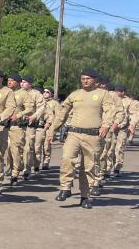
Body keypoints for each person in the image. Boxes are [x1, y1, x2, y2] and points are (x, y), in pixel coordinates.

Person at [49, 68, 114, 209]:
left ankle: (85, 196)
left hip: (93, 136)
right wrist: (52, 130)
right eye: (83, 78)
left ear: (95, 80)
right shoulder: (75, 94)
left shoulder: (103, 94)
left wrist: (106, 125)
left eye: (88, 78)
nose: (85, 81)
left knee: (89, 167)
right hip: (74, 134)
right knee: (67, 158)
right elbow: (62, 113)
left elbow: (110, 111)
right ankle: (65, 188)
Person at [5, 73, 33, 185]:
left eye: (12, 80)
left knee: (16, 150)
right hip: (4, 125)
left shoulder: (23, 94)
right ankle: (10, 169)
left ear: (17, 82)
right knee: (7, 150)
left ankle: (15, 173)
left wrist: (19, 115)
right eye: (8, 80)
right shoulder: (5, 92)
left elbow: (30, 108)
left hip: (16, 126)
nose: (9, 82)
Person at [111, 84, 139, 177]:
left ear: (123, 92)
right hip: (111, 127)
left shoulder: (129, 102)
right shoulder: (110, 98)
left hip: (122, 129)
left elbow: (134, 114)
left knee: (119, 148)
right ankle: (107, 168)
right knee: (109, 149)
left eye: (118, 91)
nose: (116, 93)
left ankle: (117, 168)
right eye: (115, 91)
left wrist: (132, 124)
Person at [20, 76, 45, 179]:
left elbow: (41, 107)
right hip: (16, 125)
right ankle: (13, 168)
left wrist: (34, 116)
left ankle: (27, 169)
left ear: (30, 84)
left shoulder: (36, 94)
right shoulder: (16, 93)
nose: (22, 84)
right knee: (13, 148)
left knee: (28, 147)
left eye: (24, 82)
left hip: (29, 125)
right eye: (21, 82)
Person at [36, 87, 61, 171]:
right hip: (39, 126)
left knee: (46, 146)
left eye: (47, 92)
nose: (45, 93)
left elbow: (58, 116)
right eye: (44, 92)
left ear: (51, 94)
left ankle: (46, 162)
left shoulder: (55, 103)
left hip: (50, 126)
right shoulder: (40, 102)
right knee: (37, 145)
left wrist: (54, 128)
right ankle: (37, 163)